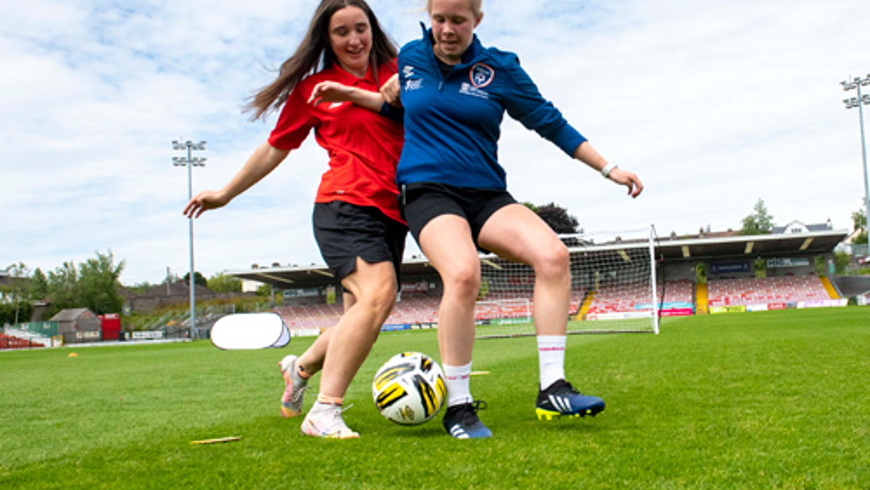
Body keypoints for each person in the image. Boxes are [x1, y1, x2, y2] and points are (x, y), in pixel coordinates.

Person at [392, 0, 645, 439]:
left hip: (486, 193)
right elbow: (391, 95)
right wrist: (368, 93)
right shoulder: (410, 58)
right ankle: (459, 407)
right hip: (428, 192)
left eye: (458, 21)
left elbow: (550, 121)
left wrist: (609, 169)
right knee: (464, 273)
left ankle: (552, 388)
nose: (447, 30)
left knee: (553, 256)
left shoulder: (499, 68)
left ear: (478, 21)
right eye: (439, 20)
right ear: (428, 16)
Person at [183, 0, 406, 439]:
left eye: (360, 28)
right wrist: (225, 193)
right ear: (328, 39)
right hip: (343, 205)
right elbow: (275, 147)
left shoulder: (402, 68)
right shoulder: (314, 88)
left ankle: (299, 367)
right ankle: (325, 411)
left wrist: (408, 83)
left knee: (364, 319)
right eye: (341, 32)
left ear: (373, 30)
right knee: (380, 294)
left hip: (394, 211)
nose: (354, 39)